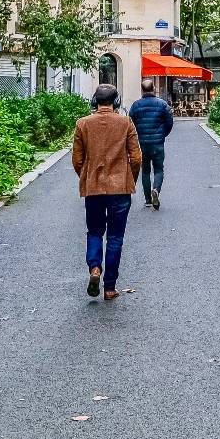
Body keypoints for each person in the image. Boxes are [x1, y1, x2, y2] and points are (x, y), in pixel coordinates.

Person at [71, 83, 141, 300]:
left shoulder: (82, 124)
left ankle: (94, 269)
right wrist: (130, 178)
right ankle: (109, 287)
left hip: (93, 188)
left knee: (94, 232)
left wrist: (87, 176)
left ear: (94, 102)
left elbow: (77, 160)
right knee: (115, 237)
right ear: (116, 102)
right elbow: (137, 157)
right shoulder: (125, 122)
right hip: (120, 188)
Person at [127, 78, 175, 208]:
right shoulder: (162, 104)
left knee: (145, 171)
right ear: (153, 88)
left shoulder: (136, 105)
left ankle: (148, 199)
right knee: (159, 169)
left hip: (142, 143)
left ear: (142, 90)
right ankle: (156, 190)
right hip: (158, 143)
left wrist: (136, 136)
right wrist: (162, 134)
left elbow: (130, 124)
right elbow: (169, 122)